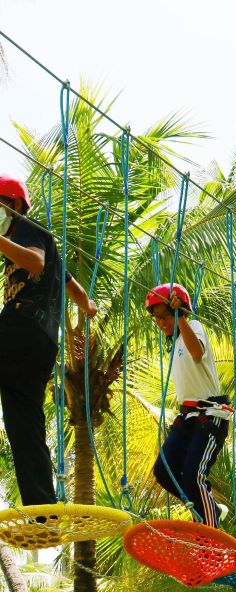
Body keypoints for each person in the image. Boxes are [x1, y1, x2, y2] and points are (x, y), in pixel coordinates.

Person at [0, 174, 97, 507]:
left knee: (23, 420)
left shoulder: (26, 227)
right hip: (39, 344)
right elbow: (78, 292)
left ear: (13, 205)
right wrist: (86, 312)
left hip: (20, 327)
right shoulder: (39, 246)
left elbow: (35, 261)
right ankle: (43, 510)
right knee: (24, 424)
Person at [148, 283, 230, 528]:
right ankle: (208, 508)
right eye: (156, 318)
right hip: (189, 416)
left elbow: (197, 352)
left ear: (178, 311)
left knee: (195, 476)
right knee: (164, 471)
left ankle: (211, 533)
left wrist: (181, 316)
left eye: (164, 316)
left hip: (210, 414)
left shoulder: (193, 327)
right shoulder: (173, 343)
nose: (161, 323)